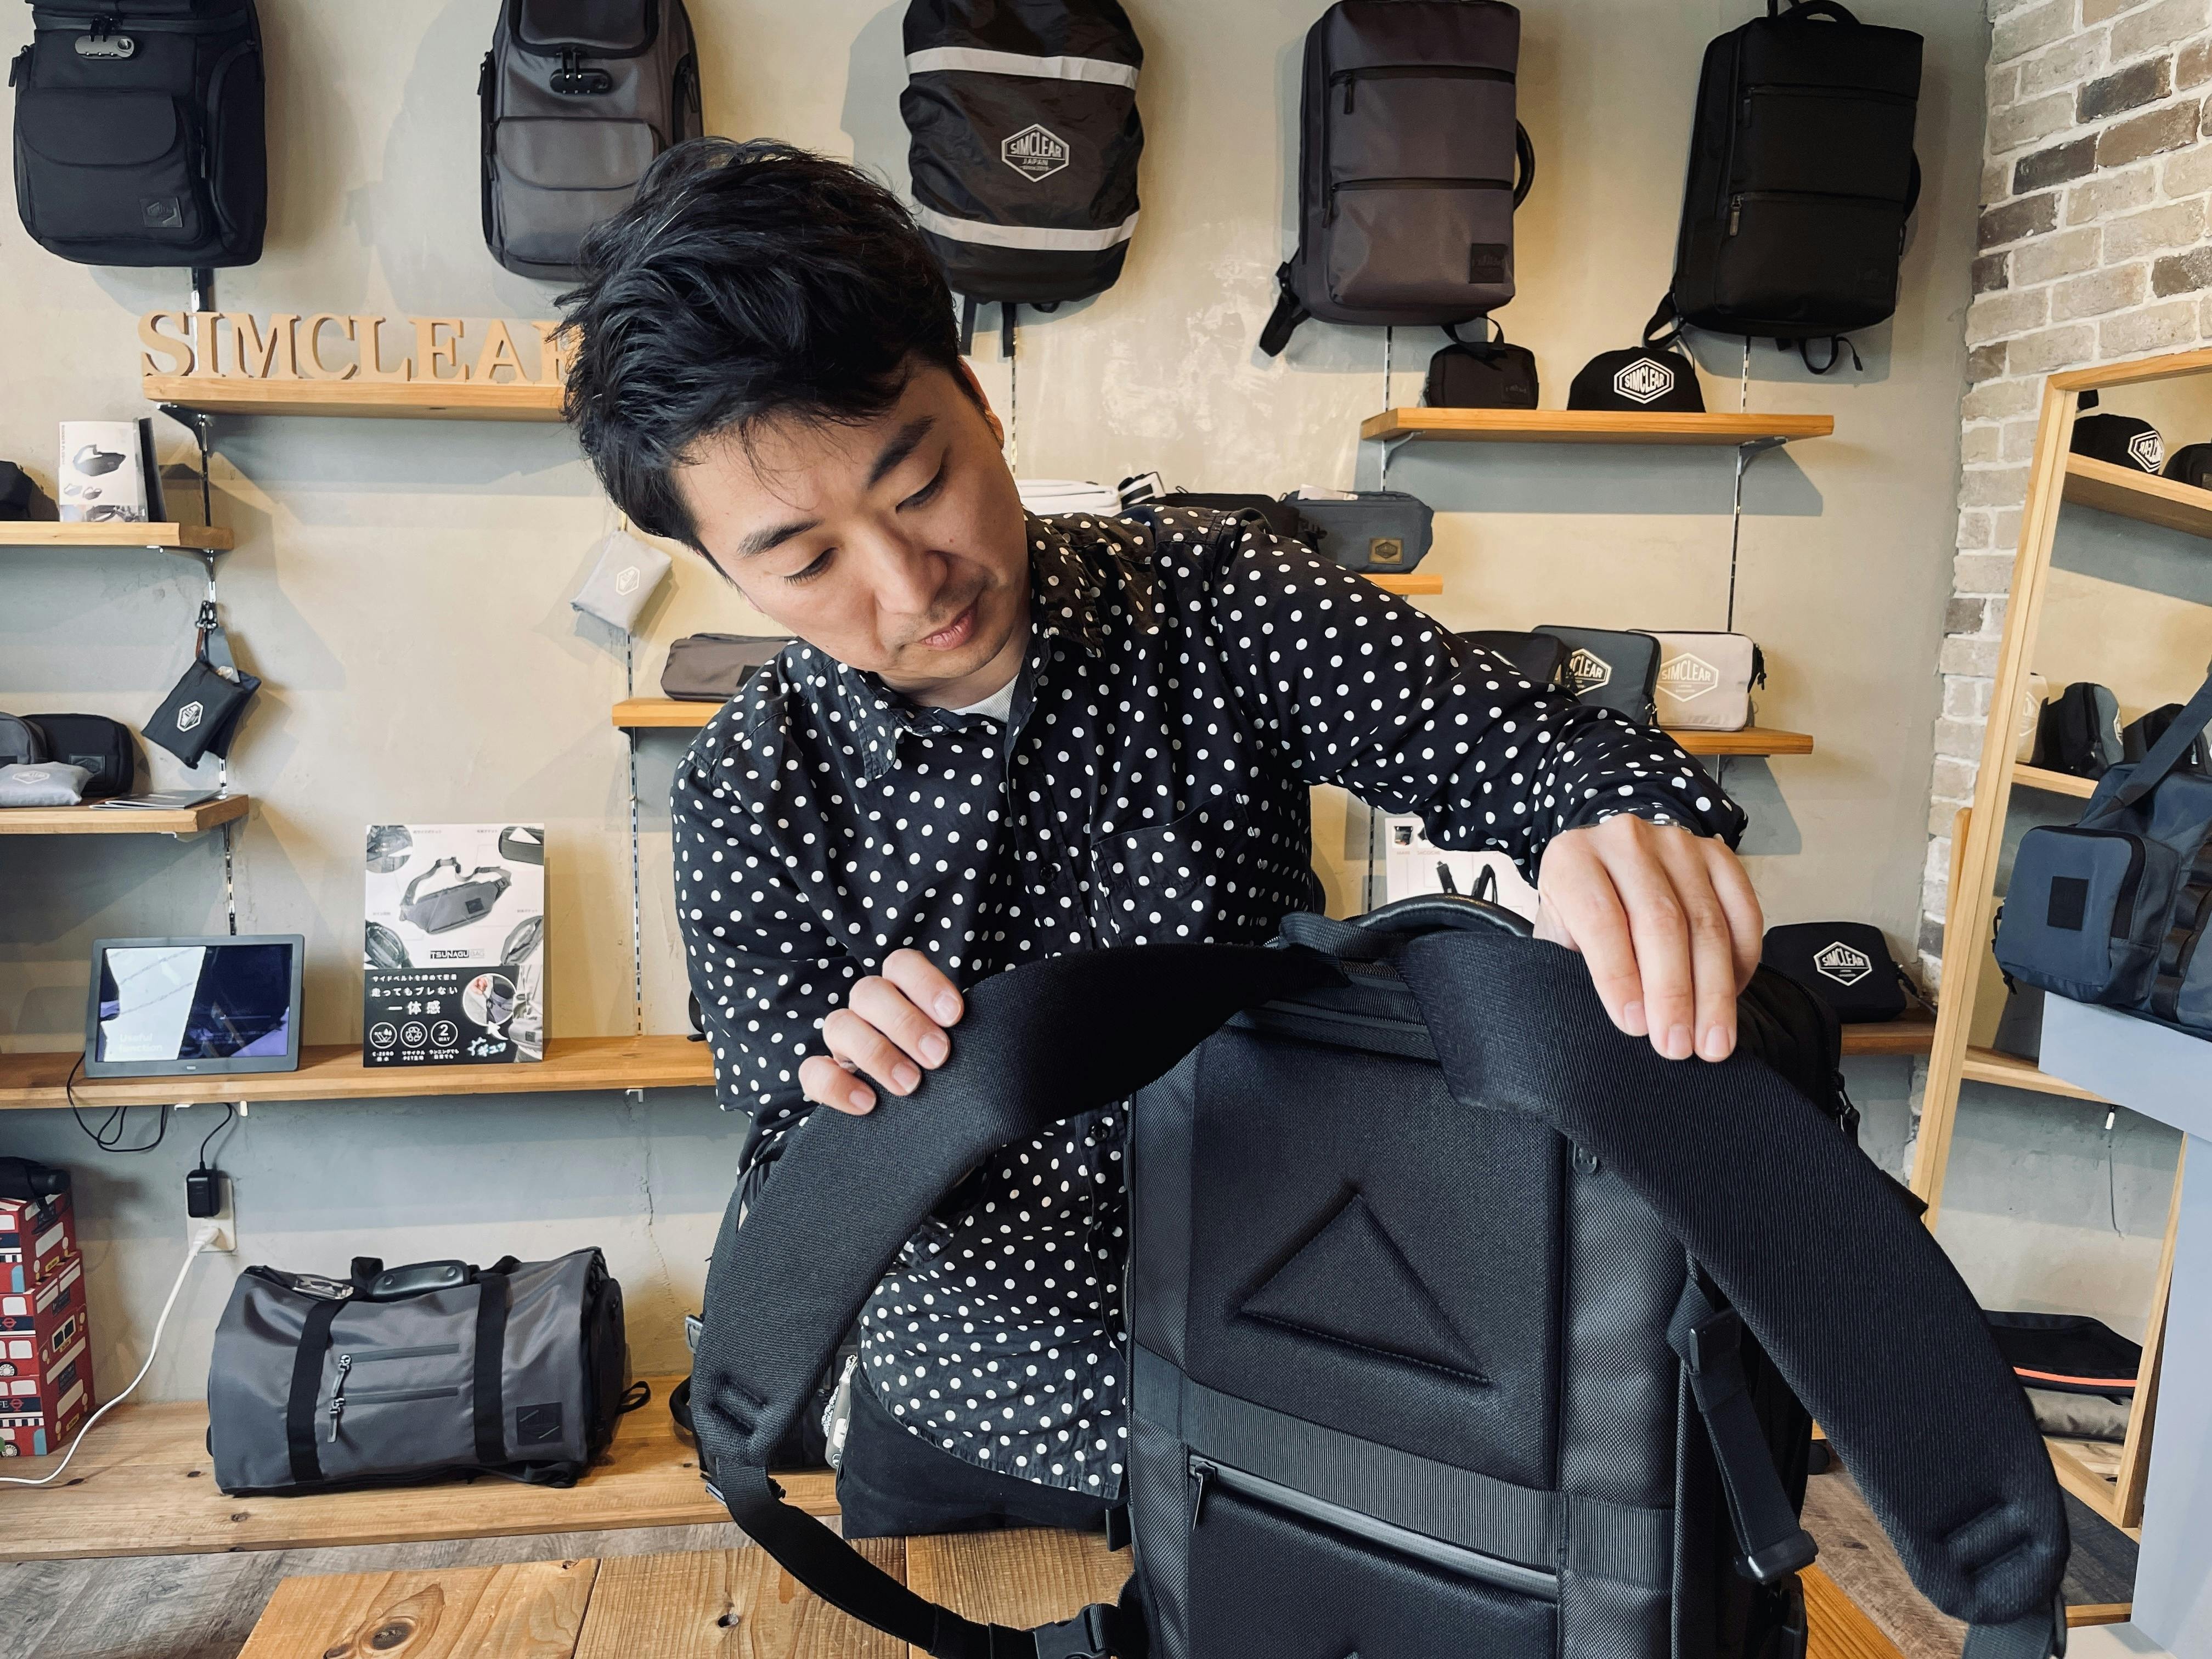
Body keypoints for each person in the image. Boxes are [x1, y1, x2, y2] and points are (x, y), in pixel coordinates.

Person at [560, 138, 1762, 1539]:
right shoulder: (751, 782)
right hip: (961, 1409)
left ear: (979, 403)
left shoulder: (1218, 599)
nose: (909, 584)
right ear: (724, 569)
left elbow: (1533, 746)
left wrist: (1616, 820)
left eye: (919, 484)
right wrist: (858, 1112)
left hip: (1287, 1384)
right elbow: (782, 1157)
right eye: (807, 559)